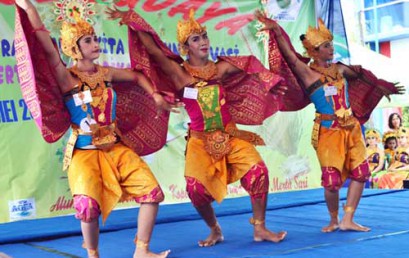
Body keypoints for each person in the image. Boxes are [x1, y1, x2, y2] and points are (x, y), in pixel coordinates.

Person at [106, 7, 287, 246]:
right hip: (200, 141)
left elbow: (251, 63)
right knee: (195, 190)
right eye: (195, 39)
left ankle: (260, 228)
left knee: (258, 172)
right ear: (185, 47)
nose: (203, 42)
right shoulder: (180, 75)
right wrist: (132, 20)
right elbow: (152, 50)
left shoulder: (220, 69)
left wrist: (268, 80)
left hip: (230, 135)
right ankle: (215, 229)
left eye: (204, 36)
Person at [14, 1, 182, 257]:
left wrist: (156, 95)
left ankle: (142, 250)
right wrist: (29, 9)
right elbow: (46, 47)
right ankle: (93, 255)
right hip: (85, 153)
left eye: (95, 38)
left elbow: (137, 77)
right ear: (74, 49)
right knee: (87, 207)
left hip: (116, 148)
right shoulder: (66, 77)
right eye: (88, 40)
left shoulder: (106, 74)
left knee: (152, 193)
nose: (95, 44)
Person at [255, 11, 404, 232]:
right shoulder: (308, 74)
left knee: (361, 173)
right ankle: (334, 219)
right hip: (328, 130)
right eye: (325, 46)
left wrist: (380, 86)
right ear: (314, 51)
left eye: (331, 44)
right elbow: (290, 57)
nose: (331, 48)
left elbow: (362, 76)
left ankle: (348, 219)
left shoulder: (341, 69)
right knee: (332, 181)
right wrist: (276, 30)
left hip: (352, 128)